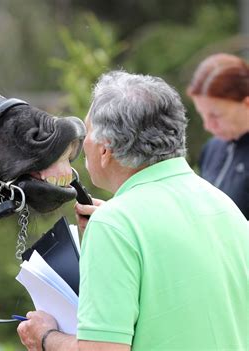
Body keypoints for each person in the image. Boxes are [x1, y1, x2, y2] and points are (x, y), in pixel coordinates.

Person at [17, 71, 248, 351]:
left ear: (106, 150)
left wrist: (44, 337)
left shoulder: (115, 225)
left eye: (88, 134)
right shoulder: (225, 207)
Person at [187, 53, 249, 219]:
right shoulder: (213, 148)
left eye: (216, 116)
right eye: (203, 114)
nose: (208, 126)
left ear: (246, 103)